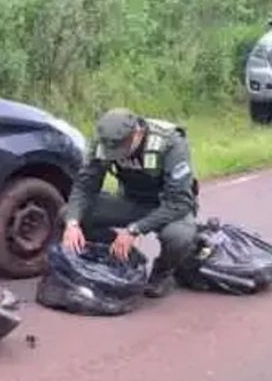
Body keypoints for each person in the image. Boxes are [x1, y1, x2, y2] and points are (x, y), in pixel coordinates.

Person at [61, 108, 199, 298]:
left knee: (179, 237)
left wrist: (135, 229)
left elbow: (180, 203)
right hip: (131, 201)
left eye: (121, 147)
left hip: (167, 205)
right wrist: (72, 223)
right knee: (68, 213)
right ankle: (126, 255)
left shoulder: (170, 143)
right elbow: (85, 187)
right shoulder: (104, 143)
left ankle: (162, 273)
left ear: (138, 133)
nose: (117, 154)